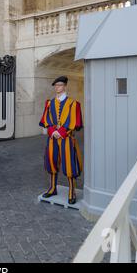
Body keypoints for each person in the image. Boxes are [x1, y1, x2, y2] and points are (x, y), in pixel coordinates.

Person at [39, 76, 83, 205]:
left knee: (69, 164)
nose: (57, 87)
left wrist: (62, 132)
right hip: (53, 138)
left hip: (67, 139)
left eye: (59, 85)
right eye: (56, 85)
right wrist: (53, 131)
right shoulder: (49, 103)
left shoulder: (73, 104)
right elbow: (46, 119)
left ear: (64, 86)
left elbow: (75, 122)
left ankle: (72, 192)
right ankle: (53, 188)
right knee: (52, 162)